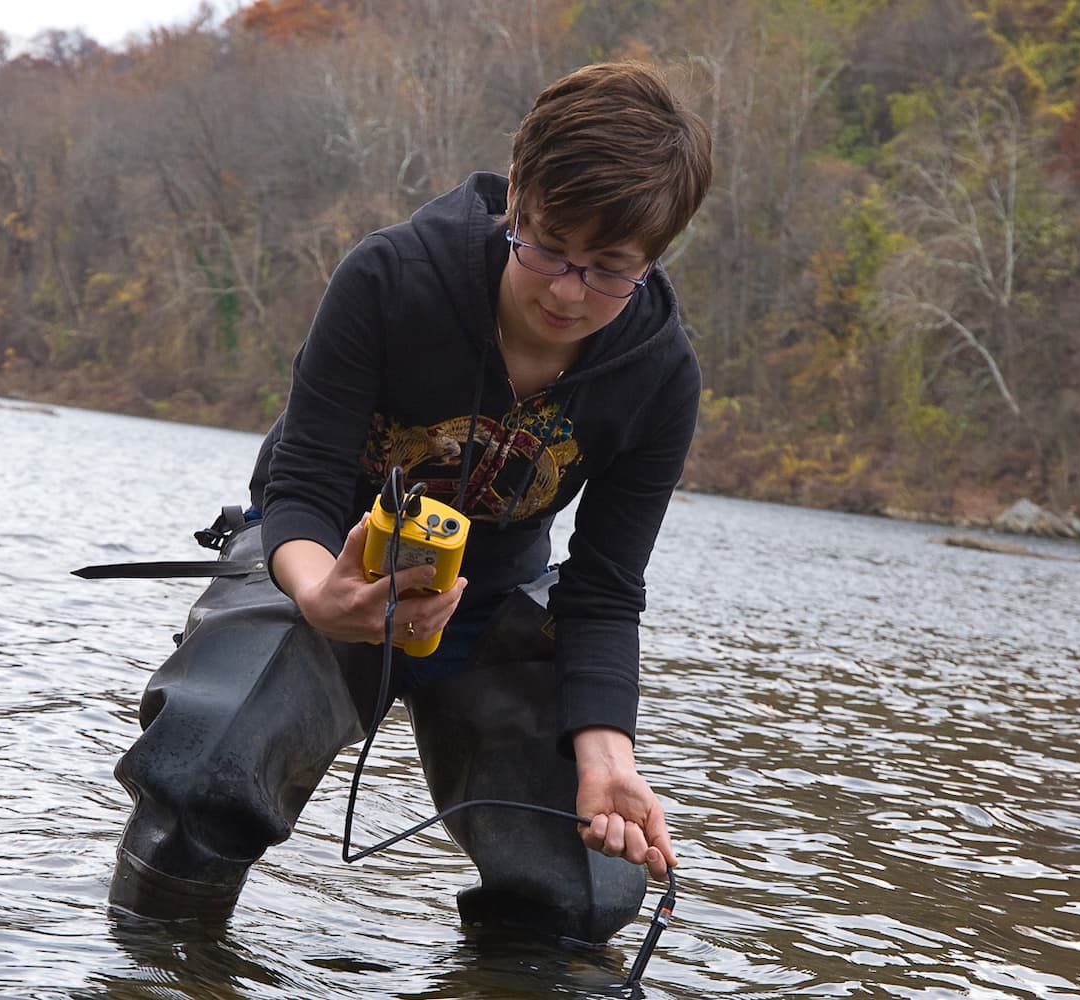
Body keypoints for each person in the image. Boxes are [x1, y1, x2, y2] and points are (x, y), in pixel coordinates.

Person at [108, 61, 713, 947]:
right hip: (313, 562)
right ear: (517, 194)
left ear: (655, 258)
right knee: (209, 764)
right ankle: (153, 959)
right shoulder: (394, 276)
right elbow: (301, 484)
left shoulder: (662, 374)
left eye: (609, 270)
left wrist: (607, 755)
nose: (566, 291)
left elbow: (605, 588)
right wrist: (321, 592)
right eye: (547, 246)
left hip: (495, 603)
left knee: (580, 886)